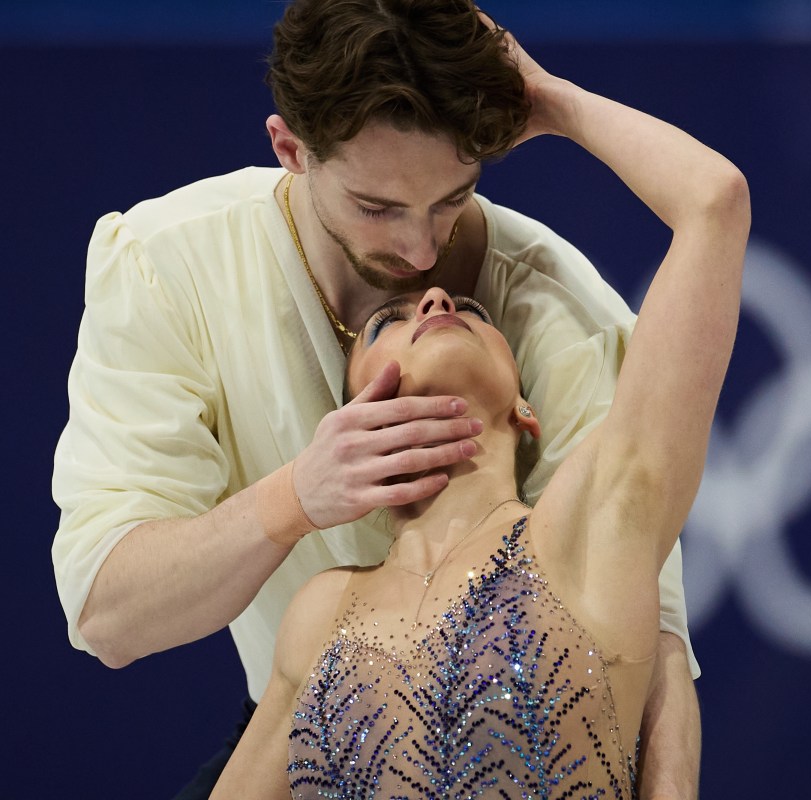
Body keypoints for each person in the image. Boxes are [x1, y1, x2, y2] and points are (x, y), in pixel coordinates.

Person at [50, 0, 701, 796]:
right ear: (290, 149)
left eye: (453, 199)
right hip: (322, 733)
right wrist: (294, 498)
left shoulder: (561, 314)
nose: (424, 254)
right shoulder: (166, 267)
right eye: (378, 208)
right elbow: (109, 617)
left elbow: (653, 642)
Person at [209, 18, 749, 796]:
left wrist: (552, 102)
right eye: (384, 323)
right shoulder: (319, 616)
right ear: (354, 410)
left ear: (526, 411)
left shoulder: (593, 528)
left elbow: (715, 203)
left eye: (472, 309)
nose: (430, 289)